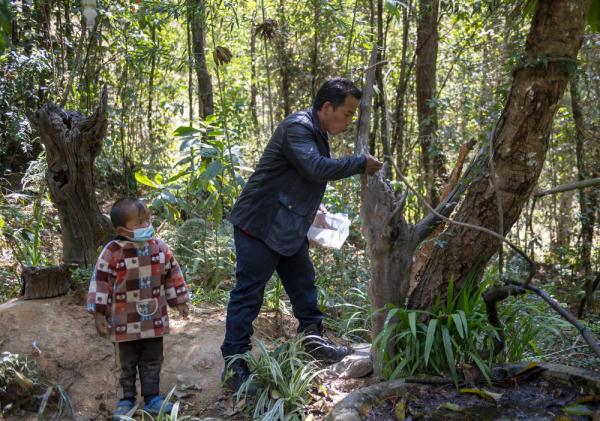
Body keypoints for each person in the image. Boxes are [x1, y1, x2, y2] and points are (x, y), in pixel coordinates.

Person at [221, 78, 383, 390]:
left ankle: (312, 340)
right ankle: (233, 364)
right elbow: (313, 168)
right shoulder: (297, 126)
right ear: (326, 107)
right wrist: (359, 163)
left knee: (303, 284)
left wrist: (314, 208)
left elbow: (299, 177)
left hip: (289, 224)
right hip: (260, 223)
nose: (350, 121)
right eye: (347, 113)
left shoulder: (317, 132)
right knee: (248, 294)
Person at [87, 198, 190, 419]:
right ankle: (126, 400)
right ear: (122, 229)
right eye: (139, 223)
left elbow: (172, 274)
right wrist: (98, 313)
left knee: (153, 359)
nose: (146, 226)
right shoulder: (112, 252)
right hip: (123, 321)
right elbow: (101, 282)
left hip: (154, 319)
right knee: (126, 364)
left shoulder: (159, 247)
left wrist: (179, 300)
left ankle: (152, 398)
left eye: (147, 220)